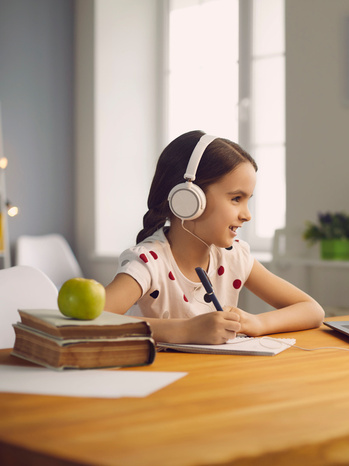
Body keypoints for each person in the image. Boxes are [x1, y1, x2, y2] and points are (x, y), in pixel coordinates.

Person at [104, 130, 324, 344]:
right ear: (188, 199)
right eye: (236, 198)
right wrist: (184, 330)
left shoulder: (234, 256)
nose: (247, 215)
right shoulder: (149, 262)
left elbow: (312, 310)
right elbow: (85, 322)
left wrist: (255, 322)